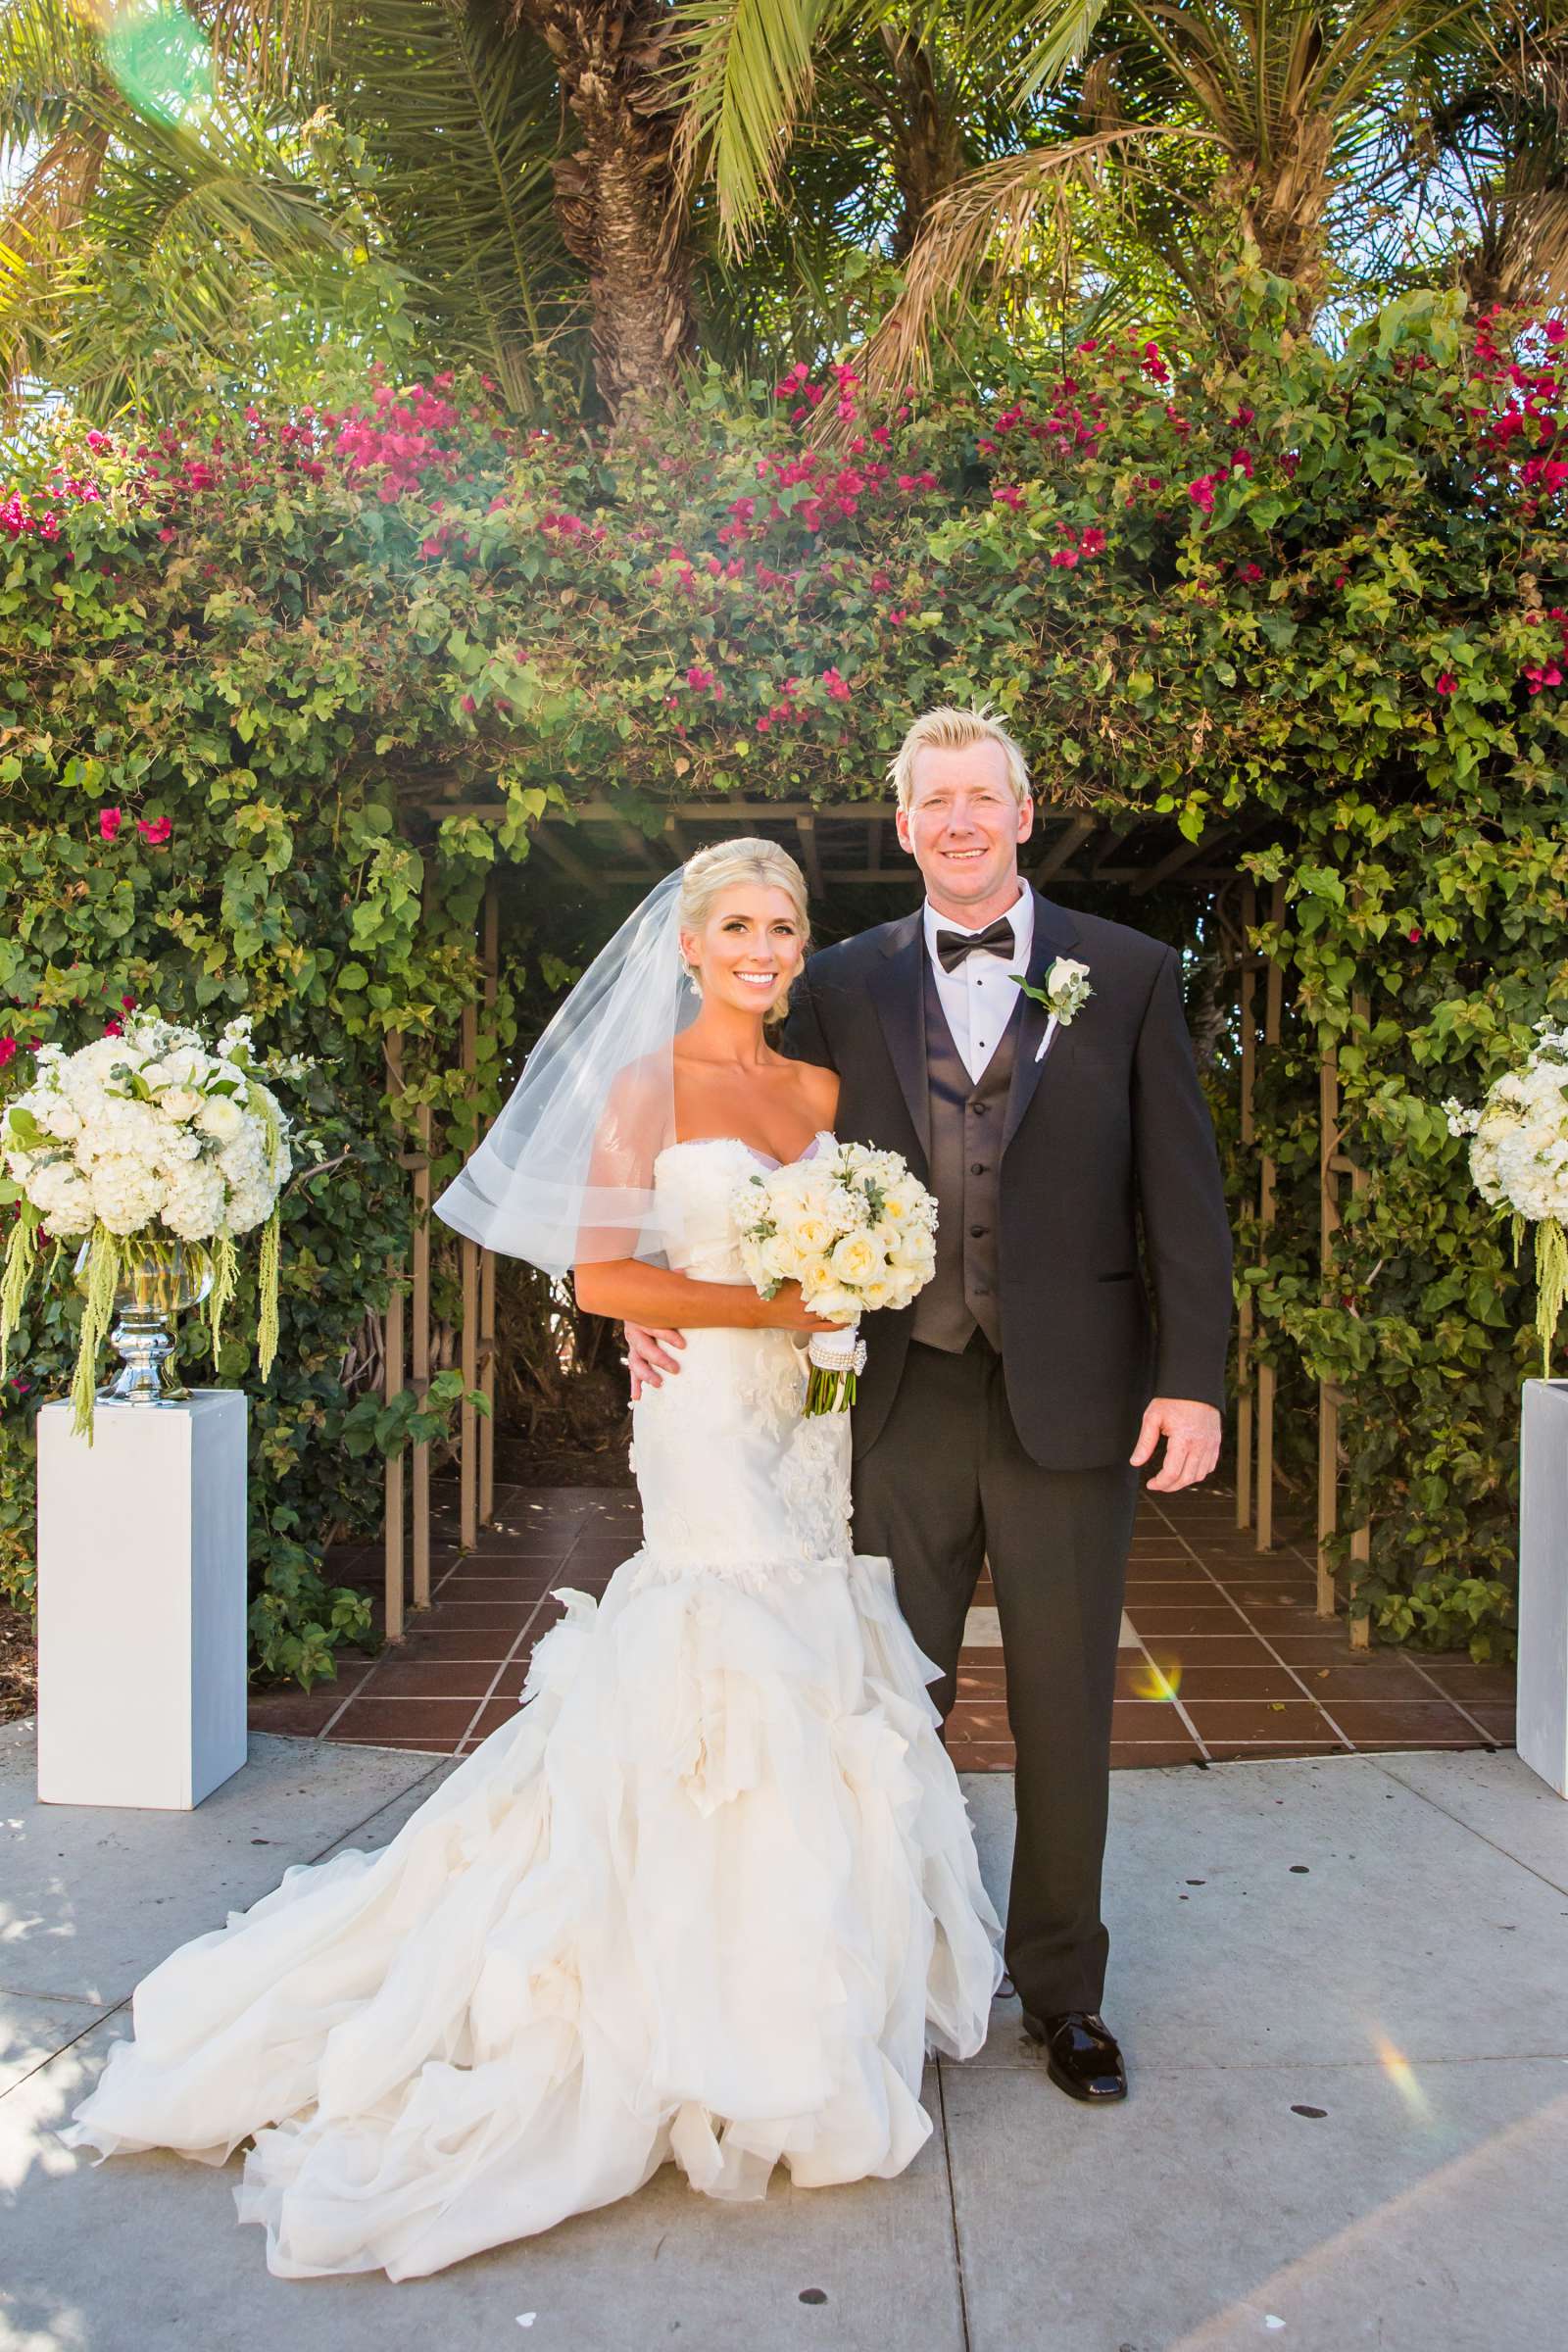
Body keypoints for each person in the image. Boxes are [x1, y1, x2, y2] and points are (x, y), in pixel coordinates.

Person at [61, 836, 1004, 2281]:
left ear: (801, 946)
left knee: (813, 1647)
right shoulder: (645, 1090)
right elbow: (605, 1276)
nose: (762, 945)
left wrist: (847, 1289)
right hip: (701, 1419)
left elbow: (864, 1232)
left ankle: (789, 1998)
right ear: (689, 946)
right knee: (724, 1661)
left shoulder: (819, 1093)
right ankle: (686, 2019)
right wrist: (768, 1301)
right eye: (736, 924)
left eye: (784, 925)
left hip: (808, 1420)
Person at [625, 707, 1234, 2105]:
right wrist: (646, 1312)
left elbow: (1181, 1197)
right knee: (887, 1707)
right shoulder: (837, 980)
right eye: (932, 801)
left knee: (1067, 1705)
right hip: (893, 1397)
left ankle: (1064, 1996)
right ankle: (893, 1975)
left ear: (1024, 814)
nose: (959, 821)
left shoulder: (1129, 973)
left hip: (1076, 1401)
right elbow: (732, 1143)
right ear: (901, 827)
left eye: (982, 797)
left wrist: (1190, 1377)